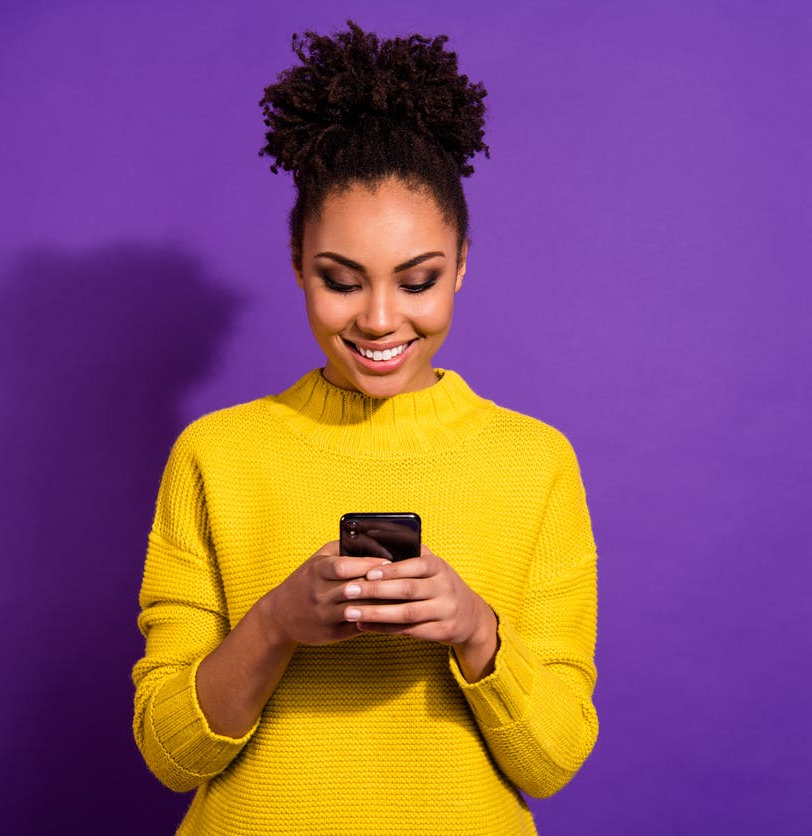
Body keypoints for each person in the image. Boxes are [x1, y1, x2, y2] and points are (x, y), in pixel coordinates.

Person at [131, 20, 599, 835]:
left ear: (461, 264)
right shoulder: (216, 453)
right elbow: (171, 755)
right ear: (296, 265)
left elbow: (553, 762)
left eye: (417, 280)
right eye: (340, 281)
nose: (380, 320)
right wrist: (276, 623)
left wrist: (474, 629)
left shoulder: (536, 462)